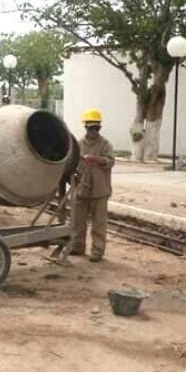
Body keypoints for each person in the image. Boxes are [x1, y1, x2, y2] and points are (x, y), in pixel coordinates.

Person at [72, 108, 115, 263]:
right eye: (91, 128)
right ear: (86, 128)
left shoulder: (105, 144)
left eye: (97, 128)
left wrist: (96, 159)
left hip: (100, 190)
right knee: (78, 221)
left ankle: (97, 251)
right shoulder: (78, 144)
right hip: (82, 189)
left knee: (99, 224)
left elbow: (110, 161)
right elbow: (72, 164)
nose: (94, 131)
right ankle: (77, 246)